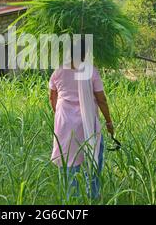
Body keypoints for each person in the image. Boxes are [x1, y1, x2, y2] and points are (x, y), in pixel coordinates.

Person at [48, 38, 114, 200]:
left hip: (64, 122)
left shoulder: (58, 71)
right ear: (86, 52)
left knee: (68, 160)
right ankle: (93, 195)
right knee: (94, 156)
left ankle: (72, 199)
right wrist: (108, 122)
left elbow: (52, 97)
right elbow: (101, 99)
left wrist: (59, 113)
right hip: (87, 122)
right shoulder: (91, 71)